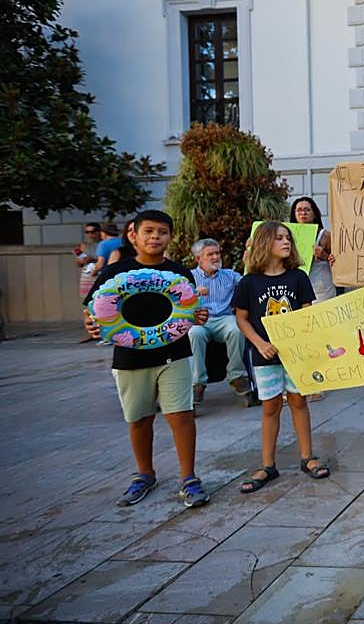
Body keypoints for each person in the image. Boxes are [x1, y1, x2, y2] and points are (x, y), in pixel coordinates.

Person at [82, 210, 211, 509]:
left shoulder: (180, 272)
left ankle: (188, 477)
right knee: (139, 419)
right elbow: (93, 308)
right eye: (149, 231)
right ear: (133, 235)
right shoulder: (116, 272)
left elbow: (190, 310)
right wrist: (89, 324)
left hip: (174, 354)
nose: (155, 237)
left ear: (170, 237)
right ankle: (145, 474)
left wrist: (199, 316)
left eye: (162, 232)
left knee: (181, 416)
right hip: (129, 357)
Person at [233, 222, 330, 493]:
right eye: (279, 238)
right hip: (264, 354)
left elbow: (306, 313)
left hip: (295, 354)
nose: (286, 242)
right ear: (265, 243)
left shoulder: (298, 277)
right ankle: (267, 464)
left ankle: (307, 456)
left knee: (299, 401)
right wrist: (260, 343)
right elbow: (241, 319)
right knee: (270, 406)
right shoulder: (248, 282)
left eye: (288, 238)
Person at [187, 238, 252, 406]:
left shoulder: (229, 275)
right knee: (194, 333)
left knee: (237, 328)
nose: (216, 257)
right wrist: (193, 293)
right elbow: (177, 297)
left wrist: (249, 262)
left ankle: (236, 376)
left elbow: (248, 284)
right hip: (200, 319)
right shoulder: (189, 277)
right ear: (198, 259)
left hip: (224, 319)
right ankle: (197, 383)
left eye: (217, 253)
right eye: (210, 254)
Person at [289, 197, 336, 303]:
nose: (303, 213)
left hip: (321, 291)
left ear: (314, 214)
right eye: (299, 210)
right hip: (297, 288)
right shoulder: (287, 236)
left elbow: (340, 263)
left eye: (307, 210)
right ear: (294, 214)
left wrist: (324, 255)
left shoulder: (325, 235)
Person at [75, 221, 103, 303]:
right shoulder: (83, 245)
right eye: (87, 232)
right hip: (87, 276)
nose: (89, 234)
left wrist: (92, 259)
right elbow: (78, 263)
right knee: (88, 301)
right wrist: (81, 259)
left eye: (92, 232)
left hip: (99, 274)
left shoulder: (103, 244)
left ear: (99, 232)